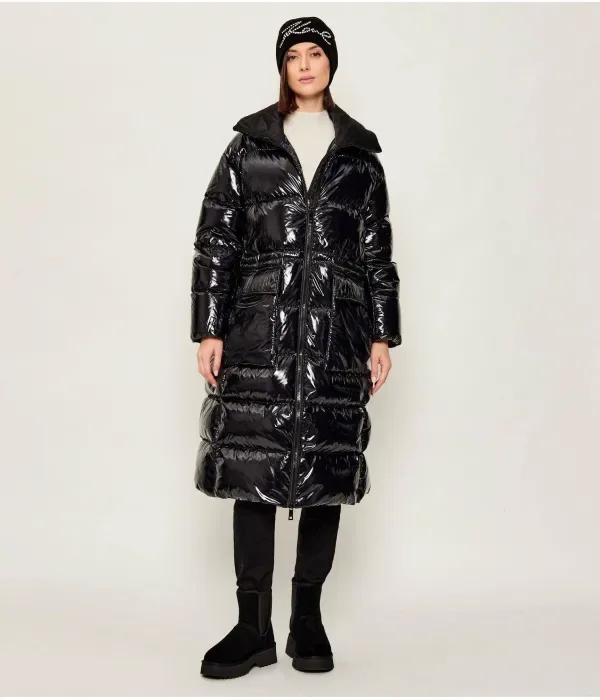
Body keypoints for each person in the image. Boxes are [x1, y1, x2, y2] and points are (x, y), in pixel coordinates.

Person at [190, 16, 402, 679]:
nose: (306, 65)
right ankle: (251, 627)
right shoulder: (249, 148)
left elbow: (377, 252)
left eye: (316, 54)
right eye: (294, 56)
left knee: (326, 475)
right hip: (258, 333)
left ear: (331, 64)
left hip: (337, 335)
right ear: (282, 67)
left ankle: (307, 619)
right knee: (252, 468)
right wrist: (210, 327)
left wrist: (382, 334)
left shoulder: (359, 156)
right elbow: (216, 240)